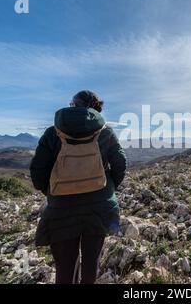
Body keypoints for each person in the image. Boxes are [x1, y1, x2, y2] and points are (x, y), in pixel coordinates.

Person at [30, 90, 126, 284]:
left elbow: (38, 170)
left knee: (65, 270)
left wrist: (51, 192)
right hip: (99, 207)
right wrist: (108, 189)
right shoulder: (105, 132)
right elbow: (120, 163)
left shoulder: (53, 132)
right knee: (91, 265)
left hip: (61, 209)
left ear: (73, 105)